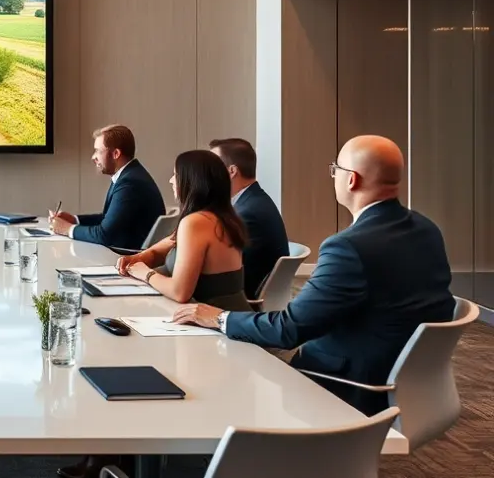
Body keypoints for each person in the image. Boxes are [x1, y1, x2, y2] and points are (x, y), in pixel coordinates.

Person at [173, 135, 455, 415]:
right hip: (403, 380)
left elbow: (288, 330)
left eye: (335, 169)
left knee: (216, 386)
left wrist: (219, 317)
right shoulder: (427, 229)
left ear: (351, 180)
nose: (332, 176)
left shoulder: (348, 247)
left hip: (346, 385)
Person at [113, 150, 252, 311]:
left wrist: (144, 273)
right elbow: (160, 251)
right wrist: (138, 258)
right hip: (231, 318)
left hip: (217, 326)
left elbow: (180, 292)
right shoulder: (221, 217)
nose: (171, 180)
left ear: (193, 182)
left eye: (175, 175)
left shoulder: (196, 223)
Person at [49, 124, 166, 249]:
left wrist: (67, 229)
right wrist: (75, 219)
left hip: (125, 256)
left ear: (116, 153)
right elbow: (108, 219)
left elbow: (104, 235)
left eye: (98, 151)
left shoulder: (130, 183)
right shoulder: (129, 175)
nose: (93, 157)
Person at [209, 138, 289, 299]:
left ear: (232, 171)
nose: (208, 175)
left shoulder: (247, 213)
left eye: (213, 168)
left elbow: (227, 273)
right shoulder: (254, 200)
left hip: (241, 301)